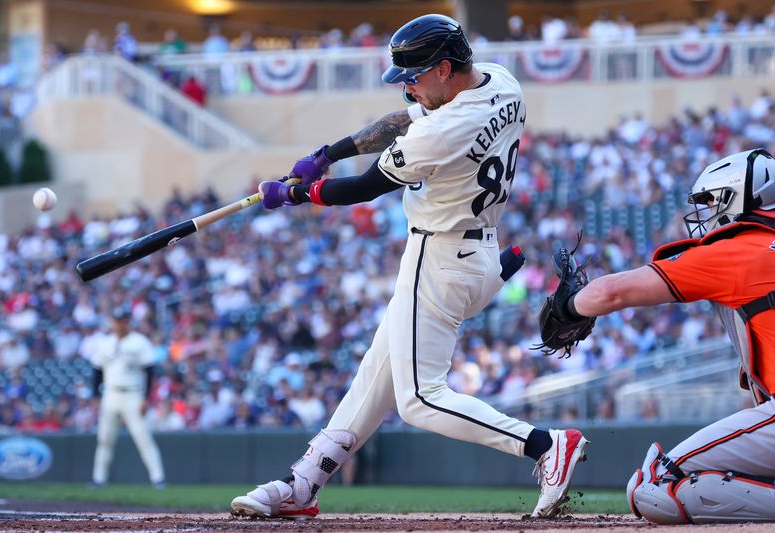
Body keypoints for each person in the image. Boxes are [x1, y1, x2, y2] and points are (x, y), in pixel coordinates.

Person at [230, 14, 588, 520]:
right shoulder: (500, 82)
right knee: (374, 378)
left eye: (414, 77)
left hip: (438, 258)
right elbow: (407, 121)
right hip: (477, 254)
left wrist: (295, 192)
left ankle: (545, 445)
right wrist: (330, 153)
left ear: (444, 68)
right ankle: (304, 483)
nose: (409, 89)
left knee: (418, 398)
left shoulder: (443, 130)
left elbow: (362, 189)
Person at [555, 148, 775, 524]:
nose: (704, 213)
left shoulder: (741, 249)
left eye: (710, 201)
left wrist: (568, 307)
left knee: (656, 484)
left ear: (737, 196)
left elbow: (612, 292)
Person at [89, 306, 166, 488]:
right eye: (116, 321)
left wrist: (146, 398)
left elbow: (150, 371)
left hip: (133, 394)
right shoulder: (105, 343)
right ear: (112, 323)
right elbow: (96, 372)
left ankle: (158, 478)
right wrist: (94, 396)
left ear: (128, 322)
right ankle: (98, 479)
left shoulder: (139, 342)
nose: (119, 324)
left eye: (123, 320)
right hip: (110, 394)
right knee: (104, 439)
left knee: (143, 438)